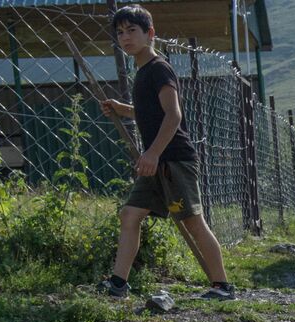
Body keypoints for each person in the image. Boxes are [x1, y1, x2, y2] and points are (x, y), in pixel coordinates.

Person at [98, 5, 234, 300]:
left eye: (132, 31)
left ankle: (222, 286)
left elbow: (173, 115)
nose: (125, 38)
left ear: (150, 33)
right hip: (156, 159)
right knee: (130, 214)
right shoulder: (143, 71)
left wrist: (153, 154)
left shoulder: (159, 68)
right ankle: (118, 283)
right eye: (120, 32)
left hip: (173, 159)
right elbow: (151, 113)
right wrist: (124, 110)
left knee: (193, 222)